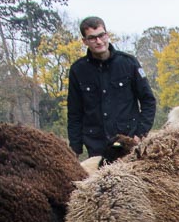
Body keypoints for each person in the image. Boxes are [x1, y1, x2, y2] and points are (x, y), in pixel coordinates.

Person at [66, 16, 158, 158]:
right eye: (92, 38)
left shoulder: (128, 63)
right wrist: (75, 149)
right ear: (84, 41)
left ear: (107, 35)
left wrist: (140, 134)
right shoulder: (78, 70)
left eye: (101, 35)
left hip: (129, 145)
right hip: (97, 147)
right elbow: (74, 113)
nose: (99, 41)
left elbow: (148, 101)